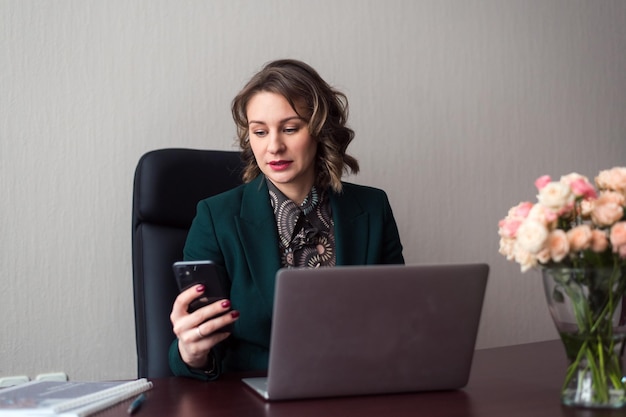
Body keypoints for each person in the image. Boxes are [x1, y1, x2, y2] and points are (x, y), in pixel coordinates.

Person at [169, 59, 404, 380]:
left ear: (321, 130)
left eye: (290, 128)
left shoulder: (372, 208)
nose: (274, 146)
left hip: (355, 388)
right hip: (255, 399)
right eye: (260, 132)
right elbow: (195, 346)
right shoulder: (215, 217)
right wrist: (192, 352)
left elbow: (399, 318)